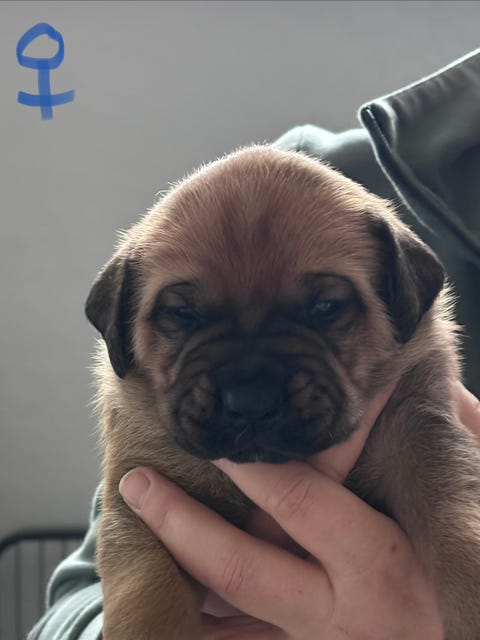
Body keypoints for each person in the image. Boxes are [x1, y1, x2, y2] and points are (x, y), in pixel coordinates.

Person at [28, 49, 480, 640]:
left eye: (324, 309)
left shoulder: (404, 360)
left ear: (405, 302)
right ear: (121, 329)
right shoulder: (351, 169)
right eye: (183, 316)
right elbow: (98, 574)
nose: (248, 393)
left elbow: (452, 505)